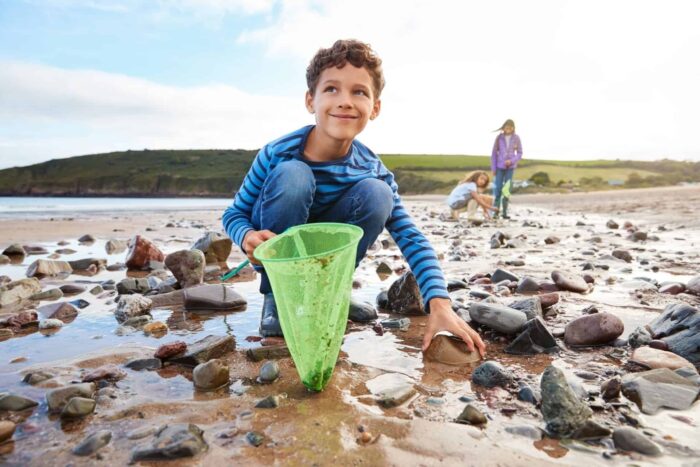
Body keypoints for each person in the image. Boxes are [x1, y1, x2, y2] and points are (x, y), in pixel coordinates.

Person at [222, 39, 486, 356]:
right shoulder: (276, 152)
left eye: (359, 92)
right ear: (311, 101)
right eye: (331, 89)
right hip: (281, 259)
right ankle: (279, 300)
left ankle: (330, 291)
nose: (345, 101)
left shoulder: (373, 169)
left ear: (375, 107)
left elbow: (411, 237)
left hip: (329, 253)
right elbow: (234, 214)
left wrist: (440, 303)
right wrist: (247, 235)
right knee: (294, 175)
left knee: (378, 193)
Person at [491, 119, 523, 219]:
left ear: (513, 128)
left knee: (506, 190)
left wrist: (512, 161)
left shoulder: (516, 138)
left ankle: (504, 213)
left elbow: (519, 153)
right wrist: (493, 168)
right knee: (498, 189)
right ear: (503, 127)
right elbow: (494, 153)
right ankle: (495, 212)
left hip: (510, 168)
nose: (508, 129)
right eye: (506, 127)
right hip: (499, 167)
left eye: (510, 127)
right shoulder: (499, 138)